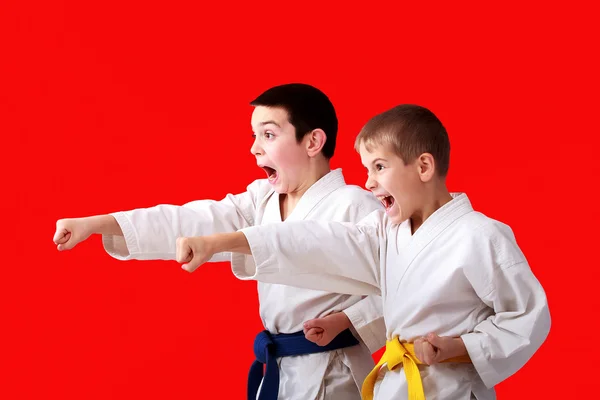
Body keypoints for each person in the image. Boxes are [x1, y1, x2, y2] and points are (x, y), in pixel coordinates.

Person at [175, 104, 551, 400]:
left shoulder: (479, 235)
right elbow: (313, 242)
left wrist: (456, 347)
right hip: (395, 387)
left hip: (453, 390)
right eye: (366, 169)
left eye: (380, 167)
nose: (368, 182)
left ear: (423, 166)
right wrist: (225, 242)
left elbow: (526, 316)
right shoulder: (387, 232)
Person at [53, 83, 387, 400]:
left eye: (268, 135)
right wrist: (100, 224)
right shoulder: (263, 199)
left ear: (313, 142)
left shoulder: (354, 205)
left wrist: (347, 321)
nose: (255, 147)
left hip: (333, 372)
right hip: (281, 368)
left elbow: (400, 287)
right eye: (254, 136)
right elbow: (192, 220)